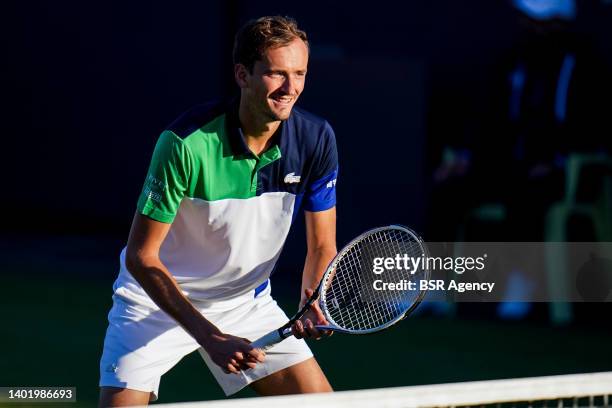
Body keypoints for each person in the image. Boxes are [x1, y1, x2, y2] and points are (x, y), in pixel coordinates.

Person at [98, 15, 338, 407]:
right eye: (277, 74)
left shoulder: (316, 139)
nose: (291, 88)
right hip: (154, 304)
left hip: (247, 303)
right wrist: (209, 337)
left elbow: (322, 245)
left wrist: (314, 300)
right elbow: (142, 258)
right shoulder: (185, 144)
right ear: (242, 75)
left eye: (300, 73)